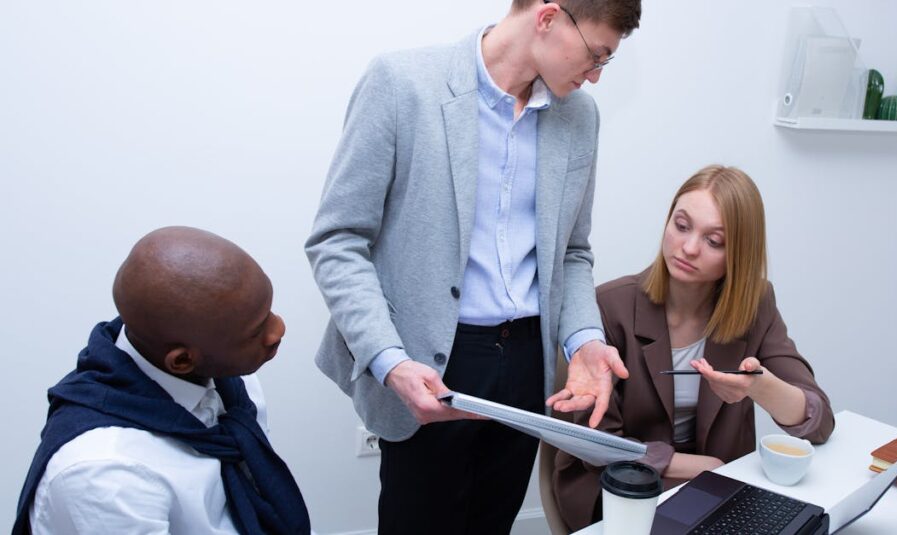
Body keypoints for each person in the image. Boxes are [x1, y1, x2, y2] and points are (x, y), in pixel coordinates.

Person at [305, 1, 641, 533]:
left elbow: (572, 251)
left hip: (528, 362)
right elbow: (338, 239)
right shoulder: (402, 83)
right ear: (549, 17)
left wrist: (585, 340)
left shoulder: (579, 116)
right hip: (428, 363)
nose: (596, 75)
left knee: (492, 523)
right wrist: (389, 360)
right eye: (596, 55)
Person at [553, 165, 836, 531]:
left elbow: (818, 422)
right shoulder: (609, 307)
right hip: (622, 491)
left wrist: (760, 386)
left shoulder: (756, 304)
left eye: (713, 241)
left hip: (717, 496)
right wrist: (705, 468)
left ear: (740, 254)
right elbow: (599, 444)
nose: (687, 248)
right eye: (681, 225)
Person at [13, 226, 310, 535]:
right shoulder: (107, 474)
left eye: (269, 311)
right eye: (255, 331)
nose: (278, 329)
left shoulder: (226, 382)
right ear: (182, 361)